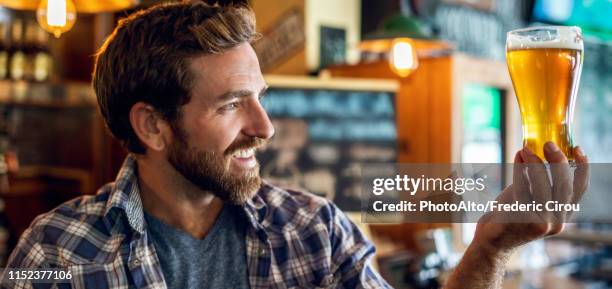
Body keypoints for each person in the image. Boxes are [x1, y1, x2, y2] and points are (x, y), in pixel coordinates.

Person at [1, 1, 589, 289]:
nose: (265, 125)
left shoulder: (315, 231)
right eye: (232, 104)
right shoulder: (59, 252)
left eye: (261, 96)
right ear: (152, 126)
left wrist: (490, 248)